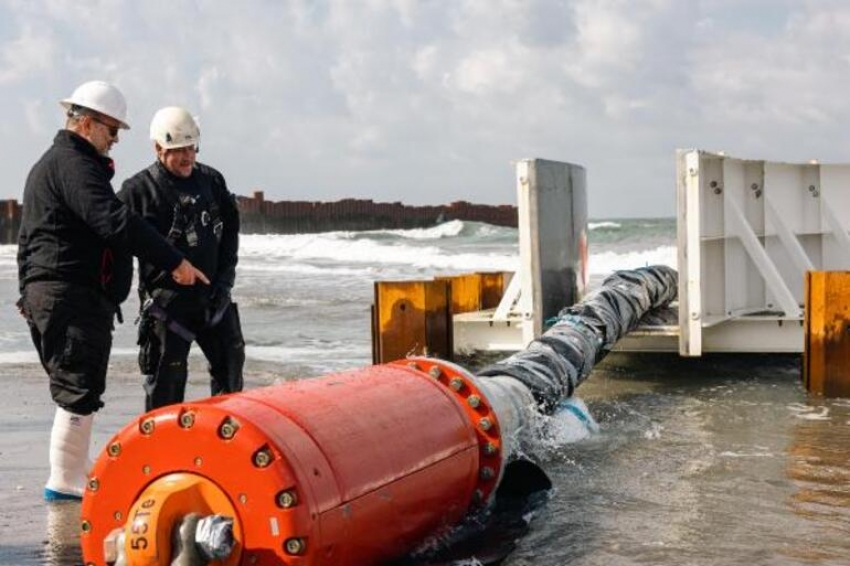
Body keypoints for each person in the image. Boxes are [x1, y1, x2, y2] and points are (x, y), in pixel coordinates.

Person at [17, 81, 210, 501]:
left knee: (76, 384)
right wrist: (175, 260)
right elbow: (114, 222)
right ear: (86, 124)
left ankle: (71, 468)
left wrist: (25, 293)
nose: (116, 139)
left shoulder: (56, 164)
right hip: (69, 294)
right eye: (111, 129)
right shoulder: (74, 165)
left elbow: (26, 236)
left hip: (56, 294)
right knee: (78, 386)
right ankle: (67, 481)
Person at [118, 106, 244, 412]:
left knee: (231, 369)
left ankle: (223, 447)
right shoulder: (136, 191)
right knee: (166, 387)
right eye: (178, 151)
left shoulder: (212, 181)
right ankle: (161, 452)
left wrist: (225, 282)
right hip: (168, 307)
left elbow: (229, 232)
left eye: (191, 148)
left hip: (214, 298)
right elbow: (118, 241)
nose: (187, 157)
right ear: (158, 148)